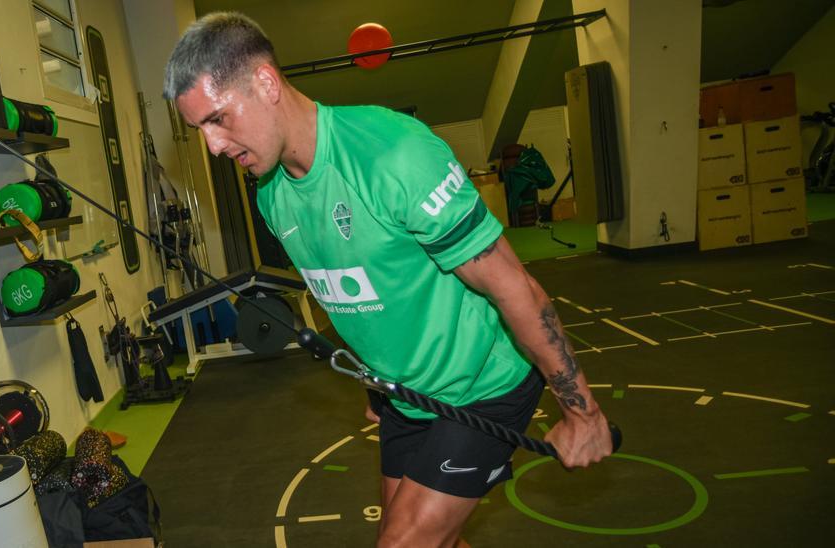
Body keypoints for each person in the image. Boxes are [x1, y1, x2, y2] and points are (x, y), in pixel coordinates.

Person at [163, 12, 613, 547]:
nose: (212, 146)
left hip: (481, 385)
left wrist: (582, 410)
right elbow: (355, 287)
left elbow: (513, 284)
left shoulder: (394, 154)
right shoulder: (272, 192)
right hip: (406, 395)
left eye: (218, 119)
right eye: (199, 131)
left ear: (264, 83)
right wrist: (379, 382)